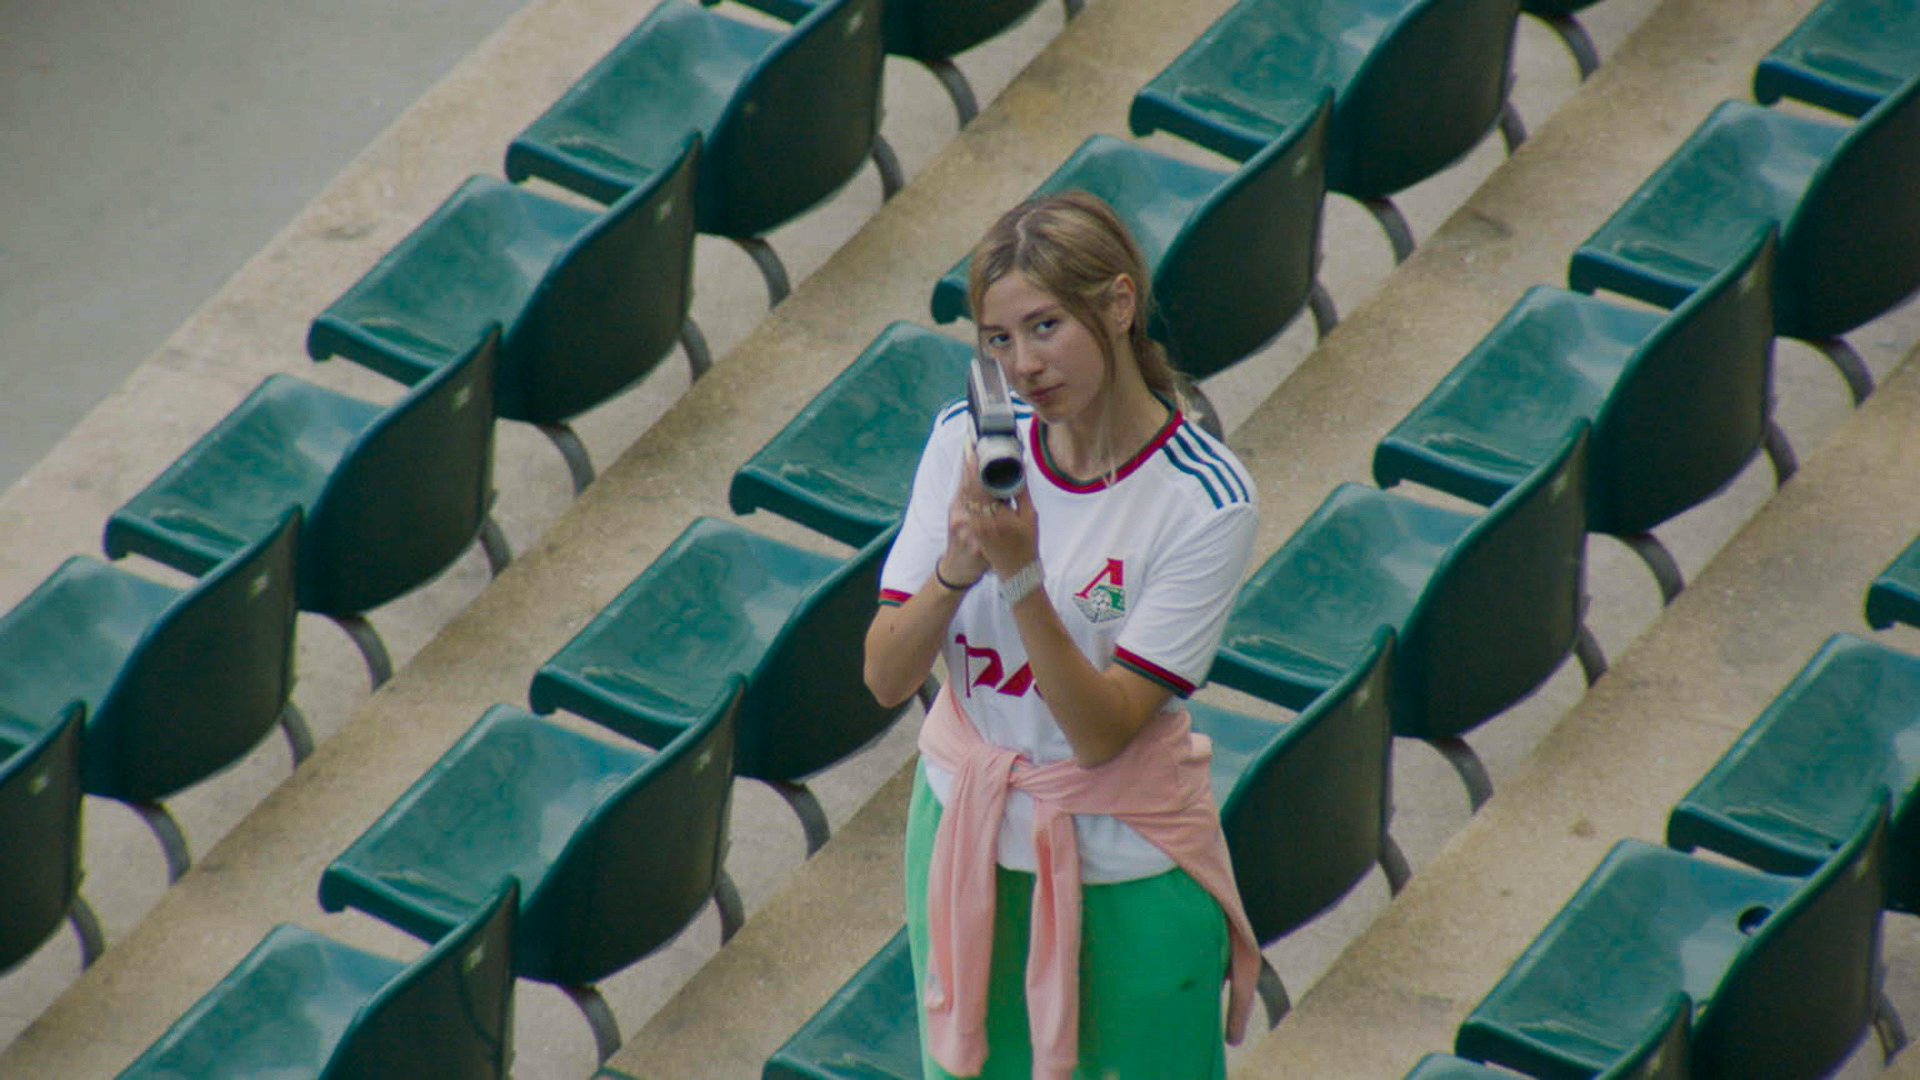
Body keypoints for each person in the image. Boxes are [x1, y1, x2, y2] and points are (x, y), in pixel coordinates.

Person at [864, 190, 1263, 1080]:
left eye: (1045, 327)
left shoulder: (1204, 499)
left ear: (1118, 305)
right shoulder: (965, 441)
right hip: (963, 838)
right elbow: (886, 675)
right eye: (998, 341)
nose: (1025, 365)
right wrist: (957, 567)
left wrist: (1021, 577)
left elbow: (1099, 732)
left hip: (1121, 866)